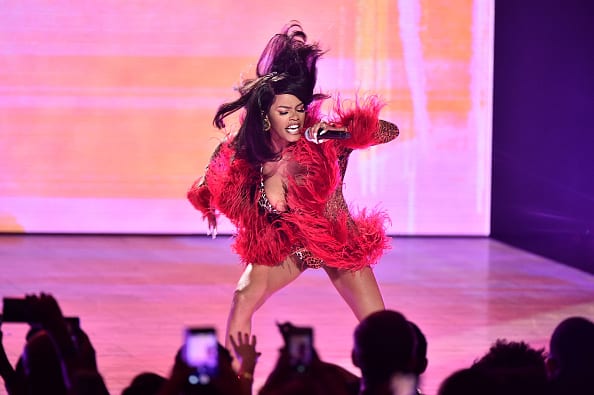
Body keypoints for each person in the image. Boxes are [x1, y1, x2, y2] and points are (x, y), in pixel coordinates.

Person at [187, 22, 399, 352]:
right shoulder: (245, 153)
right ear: (266, 116)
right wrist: (206, 198)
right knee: (243, 298)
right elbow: (209, 181)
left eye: (299, 109)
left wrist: (341, 134)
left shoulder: (324, 141)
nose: (295, 119)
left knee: (379, 328)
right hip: (288, 248)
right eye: (284, 111)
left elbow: (389, 132)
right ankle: (234, 383)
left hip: (336, 241)